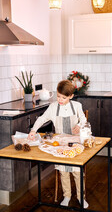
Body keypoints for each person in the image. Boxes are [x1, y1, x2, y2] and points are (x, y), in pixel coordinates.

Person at [28, 80, 88, 208]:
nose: (60, 100)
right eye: (58, 96)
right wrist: (33, 130)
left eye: (64, 98)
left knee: (77, 171)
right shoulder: (53, 107)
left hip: (75, 143)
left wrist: (79, 125)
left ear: (71, 96)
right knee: (63, 171)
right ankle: (67, 195)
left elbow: (83, 119)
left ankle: (80, 197)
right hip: (60, 144)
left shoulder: (77, 106)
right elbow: (42, 118)